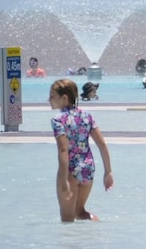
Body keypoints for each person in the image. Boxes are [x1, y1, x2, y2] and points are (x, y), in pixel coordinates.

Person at [48, 78, 113, 222]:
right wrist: (108, 172)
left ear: (64, 98)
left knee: (67, 219)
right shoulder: (87, 116)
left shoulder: (59, 120)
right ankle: (97, 232)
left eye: (52, 96)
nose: (49, 99)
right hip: (88, 169)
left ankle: (72, 244)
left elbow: (63, 150)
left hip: (70, 171)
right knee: (80, 213)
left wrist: (64, 180)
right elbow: (102, 144)